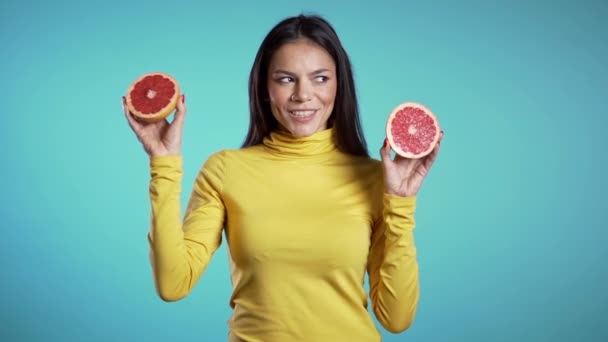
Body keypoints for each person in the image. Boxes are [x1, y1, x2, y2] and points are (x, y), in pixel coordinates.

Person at [124, 14, 443, 342]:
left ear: (339, 85)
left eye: (320, 78)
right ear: (265, 87)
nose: (303, 95)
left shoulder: (374, 178)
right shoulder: (225, 170)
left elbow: (396, 318)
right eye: (286, 79)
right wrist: (163, 164)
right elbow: (173, 283)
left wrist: (401, 205)